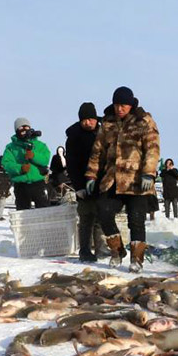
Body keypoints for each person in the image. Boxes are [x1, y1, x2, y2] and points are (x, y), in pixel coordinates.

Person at [86, 86, 160, 272]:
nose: (120, 109)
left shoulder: (144, 121)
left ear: (131, 104)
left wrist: (149, 173)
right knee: (103, 211)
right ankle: (117, 251)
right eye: (117, 105)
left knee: (136, 219)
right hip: (113, 179)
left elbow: (152, 149)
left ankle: (137, 259)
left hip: (137, 180)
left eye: (124, 105)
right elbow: (97, 152)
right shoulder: (108, 124)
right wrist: (91, 175)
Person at [66, 102, 109, 262]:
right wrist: (78, 187)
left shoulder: (104, 131)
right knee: (86, 218)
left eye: (91, 119)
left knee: (101, 217)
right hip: (83, 183)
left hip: (102, 182)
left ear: (95, 119)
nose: (87, 122)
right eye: (84, 120)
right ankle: (84, 251)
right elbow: (72, 164)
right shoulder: (74, 136)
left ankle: (101, 250)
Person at [2, 118, 51, 210]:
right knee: (22, 211)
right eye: (21, 127)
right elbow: (6, 163)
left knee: (44, 209)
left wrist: (34, 155)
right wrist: (20, 168)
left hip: (38, 183)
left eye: (27, 127)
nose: (24, 129)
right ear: (16, 130)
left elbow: (45, 160)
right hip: (20, 184)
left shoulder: (40, 145)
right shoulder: (11, 148)